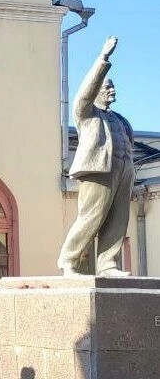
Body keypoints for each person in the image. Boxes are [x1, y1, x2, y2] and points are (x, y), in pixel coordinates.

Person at [58, 36, 135, 277]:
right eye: (107, 87)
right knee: (92, 216)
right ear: (97, 90)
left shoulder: (121, 119)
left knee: (118, 218)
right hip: (98, 170)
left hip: (123, 169)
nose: (112, 90)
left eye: (113, 87)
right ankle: (68, 260)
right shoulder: (86, 113)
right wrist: (103, 58)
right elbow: (84, 93)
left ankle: (107, 264)